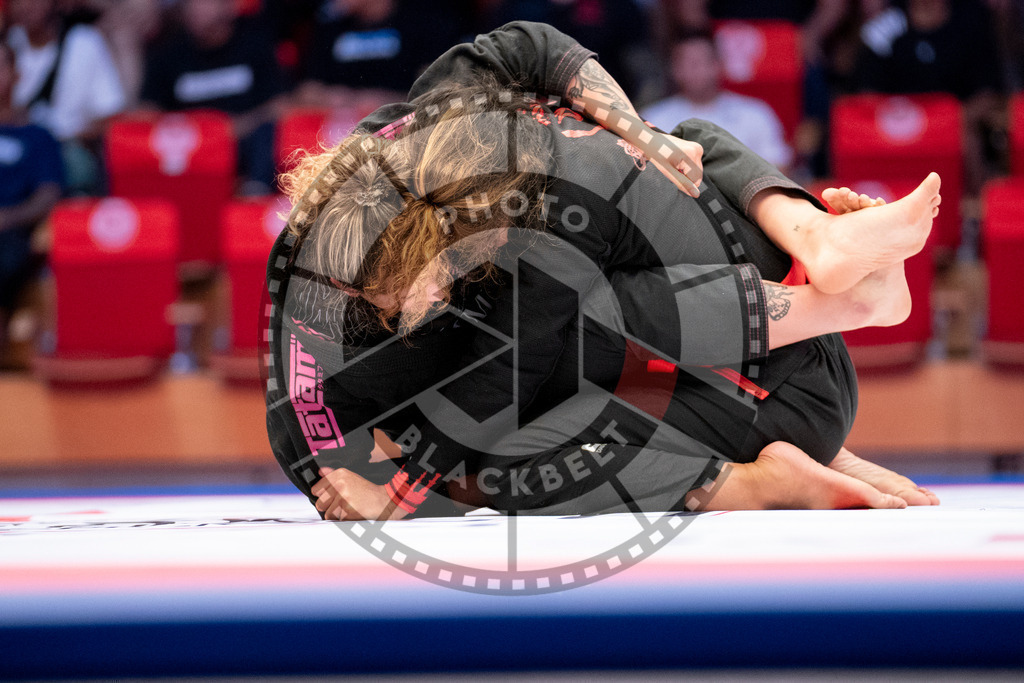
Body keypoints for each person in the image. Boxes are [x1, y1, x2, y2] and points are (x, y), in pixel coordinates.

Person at [265, 21, 940, 522]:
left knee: (586, 310)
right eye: (419, 284)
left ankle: (832, 274)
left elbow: (505, 379)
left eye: (451, 257)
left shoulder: (521, 197)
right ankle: (797, 427)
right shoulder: (317, 307)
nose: (444, 283)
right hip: (733, 387)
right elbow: (300, 423)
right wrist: (349, 480)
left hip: (768, 369)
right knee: (513, 427)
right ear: (352, 288)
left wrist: (404, 493)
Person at [139, 0, 288, 194]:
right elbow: (147, 109)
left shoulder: (255, 46)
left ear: (227, 7)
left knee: (266, 132)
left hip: (242, 138)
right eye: (190, 4)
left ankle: (255, 194)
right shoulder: (167, 54)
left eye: (204, 3)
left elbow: (280, 105)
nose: (195, 10)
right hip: (188, 146)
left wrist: (239, 126)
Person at [5, 0, 127, 194]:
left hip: (66, 148)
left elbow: (111, 114)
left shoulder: (85, 42)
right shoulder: (6, 44)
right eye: (17, 1)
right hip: (14, 148)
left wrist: (67, 135)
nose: (25, 6)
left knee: (74, 160)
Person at [642, 30, 794, 174]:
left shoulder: (755, 113)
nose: (694, 69)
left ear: (718, 64)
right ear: (674, 69)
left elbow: (778, 169)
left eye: (700, 61)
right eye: (687, 62)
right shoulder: (653, 119)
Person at [0, 43, 65, 359]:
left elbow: (48, 195)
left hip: (14, 235)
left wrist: (9, 218)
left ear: (16, 75)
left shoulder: (37, 136)